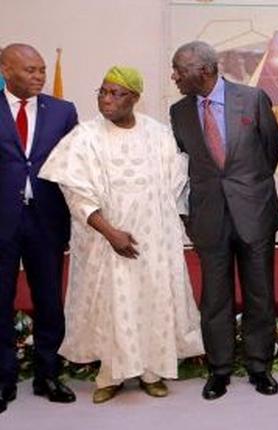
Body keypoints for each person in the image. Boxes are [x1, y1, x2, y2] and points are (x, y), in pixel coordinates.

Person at [39, 66, 204, 403]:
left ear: (135, 99)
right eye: (103, 91)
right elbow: (77, 194)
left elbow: (175, 187)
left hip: (152, 243)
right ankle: (110, 375)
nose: (107, 100)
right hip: (105, 242)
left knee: (152, 301)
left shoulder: (158, 134)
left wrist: (169, 231)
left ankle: (152, 371)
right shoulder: (85, 137)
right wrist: (111, 232)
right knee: (112, 305)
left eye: (117, 94)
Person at [170, 41, 278, 400]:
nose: (174, 76)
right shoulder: (179, 112)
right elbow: (184, 163)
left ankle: (259, 365)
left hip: (253, 212)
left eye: (179, 70)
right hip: (209, 217)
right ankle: (219, 369)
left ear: (203, 70)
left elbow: (270, 152)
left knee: (259, 293)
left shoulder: (252, 99)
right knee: (215, 297)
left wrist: (246, 188)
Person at [0, 43, 78, 414]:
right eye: (30, 70)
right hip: (2, 220)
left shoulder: (62, 111)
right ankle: (4, 377)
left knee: (49, 300)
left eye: (42, 70)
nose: (38, 76)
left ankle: (48, 374)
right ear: (5, 69)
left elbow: (75, 166)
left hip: (47, 220)